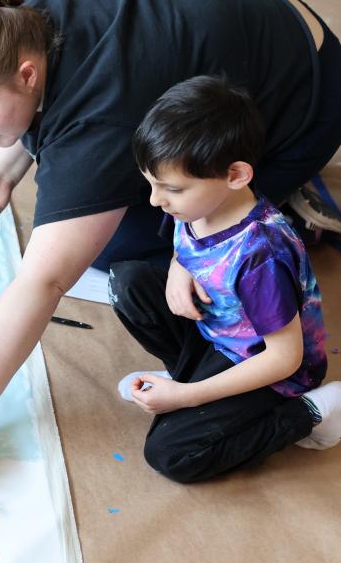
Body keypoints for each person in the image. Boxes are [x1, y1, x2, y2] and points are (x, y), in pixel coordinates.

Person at [0, 0, 341, 470]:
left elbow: (44, 281)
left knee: (116, 244)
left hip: (311, 88)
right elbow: (39, 117)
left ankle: (277, 206)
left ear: (28, 74)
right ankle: (207, 353)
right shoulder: (14, 15)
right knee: (127, 252)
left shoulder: (101, 114)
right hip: (255, 11)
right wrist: (5, 172)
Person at [109, 76, 341, 483]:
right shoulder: (198, 202)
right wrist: (179, 270)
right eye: (151, 183)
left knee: (170, 453)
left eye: (170, 189)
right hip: (219, 331)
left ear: (235, 175)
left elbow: (283, 357)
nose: (155, 200)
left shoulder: (260, 256)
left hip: (271, 368)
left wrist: (187, 397)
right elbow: (189, 248)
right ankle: (187, 375)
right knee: (126, 282)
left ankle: (312, 412)